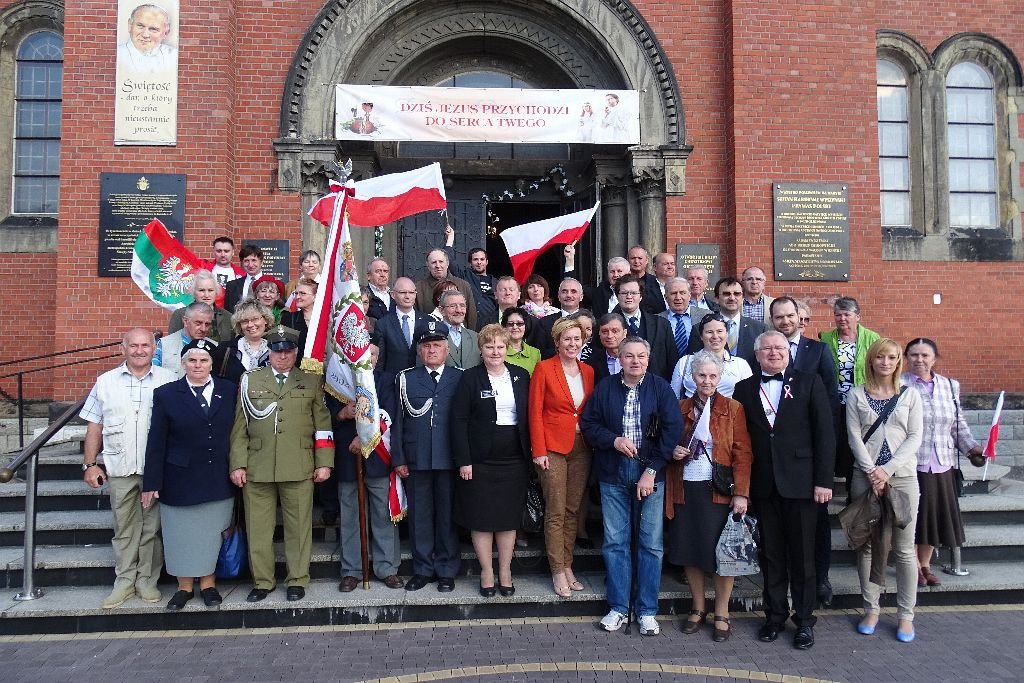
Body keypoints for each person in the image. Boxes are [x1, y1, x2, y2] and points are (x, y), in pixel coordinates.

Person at [732, 331, 835, 650]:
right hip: (764, 485)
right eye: (767, 349)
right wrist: (743, 487)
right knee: (771, 555)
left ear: (788, 353)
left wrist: (824, 481)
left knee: (803, 557)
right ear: (757, 354)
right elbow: (741, 440)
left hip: (802, 484)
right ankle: (774, 616)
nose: (774, 353)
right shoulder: (744, 388)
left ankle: (804, 621)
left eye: (779, 348)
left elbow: (825, 434)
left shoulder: (809, 382)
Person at [581, 336, 683, 635]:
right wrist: (613, 440)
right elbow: (589, 424)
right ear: (620, 359)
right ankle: (618, 607)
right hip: (613, 472)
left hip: (650, 472)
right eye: (629, 356)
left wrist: (652, 470)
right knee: (615, 543)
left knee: (650, 544)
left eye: (641, 356)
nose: (635, 361)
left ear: (648, 359)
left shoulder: (661, 388)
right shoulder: (606, 388)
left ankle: (647, 610)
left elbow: (672, 430)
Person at [229, 325, 334, 603]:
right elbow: (240, 427)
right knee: (258, 529)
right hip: (257, 465)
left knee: (298, 528)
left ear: (296, 352)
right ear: (269, 352)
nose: (283, 356)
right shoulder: (250, 380)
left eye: (288, 351)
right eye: (277, 351)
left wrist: (324, 462)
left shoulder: (310, 380)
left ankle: (297, 579)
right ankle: (262, 581)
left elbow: (323, 425)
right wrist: (238, 464)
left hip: (299, 464)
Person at [79, 328, 176, 609]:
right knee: (124, 529)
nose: (139, 351)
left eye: (145, 345)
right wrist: (90, 464)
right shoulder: (105, 382)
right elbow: (95, 425)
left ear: (154, 349)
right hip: (120, 467)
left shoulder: (169, 380)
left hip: (156, 469)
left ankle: (146, 580)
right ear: (123, 348)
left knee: (151, 529)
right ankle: (123, 582)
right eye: (133, 346)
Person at [142, 339, 237, 610]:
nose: (197, 365)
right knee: (181, 534)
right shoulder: (167, 394)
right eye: (192, 360)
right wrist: (151, 482)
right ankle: (184, 587)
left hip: (217, 473)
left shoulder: (228, 390)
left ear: (212, 364)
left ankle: (208, 584)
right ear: (183, 364)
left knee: (212, 533)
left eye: (203, 360)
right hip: (180, 476)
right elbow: (156, 440)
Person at [665, 351, 753, 641]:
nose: (707, 381)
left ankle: (722, 611)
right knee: (690, 549)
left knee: (723, 552)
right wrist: (673, 451)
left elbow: (743, 453)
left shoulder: (733, 408)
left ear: (720, 377)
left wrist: (741, 493)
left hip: (720, 490)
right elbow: (665, 442)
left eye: (712, 375)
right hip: (685, 487)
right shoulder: (679, 407)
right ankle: (698, 607)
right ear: (692, 377)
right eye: (701, 375)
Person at [847, 338, 923, 643]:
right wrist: (871, 471)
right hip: (864, 478)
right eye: (880, 357)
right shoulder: (856, 395)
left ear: (898, 361)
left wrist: (887, 470)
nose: (885, 362)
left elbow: (914, 436)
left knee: (904, 549)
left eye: (891, 357)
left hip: (902, 478)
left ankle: (906, 615)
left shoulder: (910, 395)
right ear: (871, 360)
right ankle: (871, 608)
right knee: (866, 547)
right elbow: (853, 436)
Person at [770, 296, 841, 606]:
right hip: (777, 457)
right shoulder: (767, 349)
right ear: (772, 320)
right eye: (779, 317)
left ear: (800, 318)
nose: (785, 321)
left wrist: (825, 465)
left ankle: (820, 578)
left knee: (817, 525)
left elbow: (830, 406)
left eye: (790, 316)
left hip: (808, 458)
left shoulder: (818, 351)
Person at [452, 324, 532, 597]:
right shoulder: (470, 378)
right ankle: (487, 571)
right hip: (480, 459)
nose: (495, 352)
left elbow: (529, 417)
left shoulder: (521, 375)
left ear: (507, 348)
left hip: (514, 459)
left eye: (500, 346)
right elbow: (459, 420)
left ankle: (505, 570)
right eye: (489, 347)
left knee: (508, 517)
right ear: (481, 349)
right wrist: (464, 460)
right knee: (482, 517)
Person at [902, 338, 984, 588]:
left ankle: (926, 564)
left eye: (925, 355)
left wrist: (972, 449)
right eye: (914, 355)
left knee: (933, 518)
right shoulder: (899, 384)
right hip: (911, 462)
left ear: (934, 358)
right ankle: (913, 566)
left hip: (942, 462)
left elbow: (958, 424)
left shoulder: (949, 386)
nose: (919, 360)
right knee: (913, 518)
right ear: (906, 358)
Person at [391, 319, 463, 592]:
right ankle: (422, 569)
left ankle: (446, 570)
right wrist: (399, 458)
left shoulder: (460, 377)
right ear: (419, 350)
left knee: (447, 516)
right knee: (420, 517)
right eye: (427, 346)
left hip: (449, 459)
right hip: (416, 458)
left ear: (447, 349)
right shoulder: (405, 378)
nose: (432, 350)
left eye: (437, 345)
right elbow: (398, 422)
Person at [529, 318, 595, 598]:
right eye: (567, 339)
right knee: (556, 510)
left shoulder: (588, 371)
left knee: (572, 509)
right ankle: (557, 569)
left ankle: (568, 565)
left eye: (577, 339)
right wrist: (539, 451)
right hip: (552, 448)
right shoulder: (544, 368)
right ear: (557, 342)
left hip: (582, 447)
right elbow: (534, 412)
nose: (572, 344)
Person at [331, 343, 404, 592]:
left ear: (377, 358)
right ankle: (352, 570)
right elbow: (323, 415)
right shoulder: (338, 380)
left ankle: (387, 568)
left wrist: (363, 438)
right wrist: (342, 413)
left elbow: (389, 414)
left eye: (371, 354)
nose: (367, 358)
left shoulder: (387, 381)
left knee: (383, 516)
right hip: (347, 458)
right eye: (363, 353)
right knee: (350, 516)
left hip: (378, 458)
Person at [819, 296, 881, 486]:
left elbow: (878, 368)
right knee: (839, 439)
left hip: (863, 399)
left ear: (858, 316)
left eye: (847, 314)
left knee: (860, 440)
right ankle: (839, 476)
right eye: (838, 315)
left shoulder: (872, 338)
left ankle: (856, 486)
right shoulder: (826, 338)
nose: (842, 319)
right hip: (836, 401)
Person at [689, 277, 767, 368]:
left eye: (737, 294)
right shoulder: (699, 329)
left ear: (743, 298)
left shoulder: (759, 329)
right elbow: (693, 364)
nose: (732, 298)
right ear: (717, 298)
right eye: (726, 294)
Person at [671, 313, 752, 399]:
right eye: (709, 332)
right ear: (701, 336)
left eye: (719, 331)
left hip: (729, 407)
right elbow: (673, 397)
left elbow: (749, 396)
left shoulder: (740, 364)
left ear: (727, 334)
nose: (715, 336)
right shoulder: (685, 362)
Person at [612, 274, 677, 379]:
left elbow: (672, 360)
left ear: (641, 296)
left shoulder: (662, 324)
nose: (629, 296)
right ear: (617, 296)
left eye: (634, 293)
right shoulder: (608, 327)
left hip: (657, 385)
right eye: (624, 293)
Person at [444, 224, 498, 326]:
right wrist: (450, 238)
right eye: (475, 259)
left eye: (482, 259)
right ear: (470, 263)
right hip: (471, 325)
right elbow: (449, 260)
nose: (479, 262)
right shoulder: (465, 275)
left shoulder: (496, 282)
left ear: (486, 262)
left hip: (491, 326)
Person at [376, 276, 430, 374]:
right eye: (402, 292)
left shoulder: (428, 321)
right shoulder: (383, 324)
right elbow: (380, 361)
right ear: (393, 295)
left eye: (411, 292)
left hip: (423, 379)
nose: (407, 296)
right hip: (393, 380)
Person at [415, 248, 477, 330]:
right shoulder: (418, 288)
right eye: (434, 262)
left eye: (441, 261)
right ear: (428, 265)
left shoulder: (463, 285)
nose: (438, 266)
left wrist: (469, 336)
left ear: (447, 263)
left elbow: (471, 316)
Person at [213, 300, 273, 383]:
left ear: (265, 320)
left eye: (255, 319)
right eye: (245, 321)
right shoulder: (225, 349)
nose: (250, 325)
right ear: (239, 325)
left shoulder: (275, 350)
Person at [167, 269, 234, 342]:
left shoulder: (228, 317)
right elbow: (172, 343)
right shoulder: (180, 315)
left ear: (216, 292)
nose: (206, 295)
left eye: (210, 290)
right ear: (193, 292)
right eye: (201, 290)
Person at [154, 302, 216, 378]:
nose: (203, 329)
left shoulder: (215, 347)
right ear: (185, 321)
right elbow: (153, 376)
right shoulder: (163, 344)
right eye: (198, 323)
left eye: (207, 324)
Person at [660, 276, 711, 360]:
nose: (678, 297)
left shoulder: (706, 316)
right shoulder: (656, 320)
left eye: (682, 293)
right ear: (666, 297)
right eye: (673, 293)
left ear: (689, 295)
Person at [117, 3, 177, 74]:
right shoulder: (117, 54)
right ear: (130, 25)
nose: (145, 35)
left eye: (153, 29)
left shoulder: (174, 56)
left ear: (165, 33)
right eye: (140, 26)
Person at [538, 277, 586, 358]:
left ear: (581, 297)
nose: (569, 295)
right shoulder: (545, 323)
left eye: (573, 291)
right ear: (559, 296)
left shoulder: (591, 323)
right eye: (564, 291)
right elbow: (541, 352)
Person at [437, 289, 480, 370]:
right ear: (441, 310)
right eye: (453, 306)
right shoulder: (431, 337)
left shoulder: (476, 337)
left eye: (462, 306)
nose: (459, 310)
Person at [280, 277, 318, 364]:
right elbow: (283, 348)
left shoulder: (326, 320)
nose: (297, 297)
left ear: (315, 296)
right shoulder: (288, 318)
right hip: (297, 368)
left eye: (302, 293)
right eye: (296, 293)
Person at [586, 312, 628, 384]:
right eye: (605, 332)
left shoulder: (638, 359)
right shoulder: (591, 363)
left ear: (624, 333)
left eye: (615, 331)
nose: (609, 336)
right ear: (599, 334)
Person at [224, 244, 265, 313]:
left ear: (261, 262)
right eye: (246, 261)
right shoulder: (231, 286)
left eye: (254, 260)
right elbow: (227, 312)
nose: (250, 265)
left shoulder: (272, 284)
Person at [626, 245, 666, 314]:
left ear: (646, 260)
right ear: (627, 260)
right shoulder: (622, 282)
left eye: (640, 258)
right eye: (633, 258)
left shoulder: (656, 282)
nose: (636, 261)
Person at [502, 307, 541, 375]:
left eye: (519, 323)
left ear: (526, 326)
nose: (515, 327)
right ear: (504, 327)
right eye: (510, 324)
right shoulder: (499, 351)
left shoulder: (535, 353)